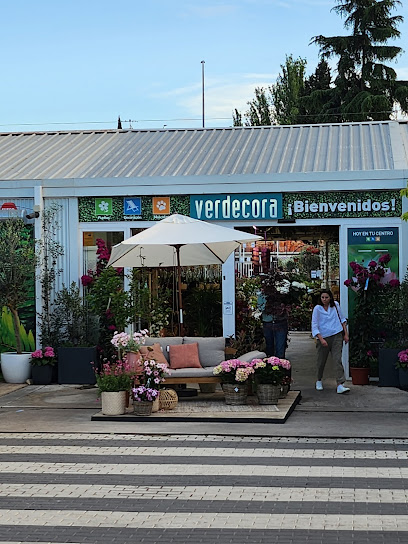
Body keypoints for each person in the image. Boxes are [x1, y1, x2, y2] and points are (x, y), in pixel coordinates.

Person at [311, 289, 350, 394]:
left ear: (330, 298)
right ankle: (319, 379)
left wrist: (345, 334)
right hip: (323, 336)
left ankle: (340, 384)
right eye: (322, 297)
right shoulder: (317, 309)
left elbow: (342, 319)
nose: (324, 299)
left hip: (336, 334)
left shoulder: (335, 305)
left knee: (337, 359)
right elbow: (314, 325)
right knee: (321, 361)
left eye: (326, 297)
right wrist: (320, 338)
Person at [257, 289, 289, 358]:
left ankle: (280, 366)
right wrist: (268, 306)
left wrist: (282, 308)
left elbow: (288, 304)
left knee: (280, 348)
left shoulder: (282, 293)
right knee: (269, 347)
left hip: (280, 322)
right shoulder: (262, 295)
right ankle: (271, 365)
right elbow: (260, 307)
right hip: (268, 323)